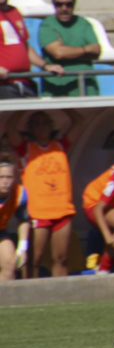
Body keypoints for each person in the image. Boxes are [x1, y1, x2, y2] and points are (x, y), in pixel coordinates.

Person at [7, 109, 85, 278]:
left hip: (62, 210)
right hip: (38, 213)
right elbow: (10, 127)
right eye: (37, 124)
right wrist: (25, 107)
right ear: (31, 129)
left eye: (45, 122)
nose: (42, 127)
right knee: (35, 259)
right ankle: (31, 295)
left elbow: (79, 121)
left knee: (61, 258)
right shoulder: (25, 148)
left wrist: (62, 106)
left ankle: (60, 297)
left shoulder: (61, 145)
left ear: (51, 126)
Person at [0, 0, 65, 99]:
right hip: (4, 85)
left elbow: (25, 47)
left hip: (25, 83)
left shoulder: (15, 12)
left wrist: (45, 66)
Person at [38, 0, 100, 98]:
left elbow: (96, 51)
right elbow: (59, 53)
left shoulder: (83, 23)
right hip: (58, 88)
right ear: (53, 4)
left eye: (68, 4)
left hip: (86, 87)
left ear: (74, 4)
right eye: (59, 4)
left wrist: (68, 51)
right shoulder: (47, 24)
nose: (64, 8)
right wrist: (85, 50)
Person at [0, 162, 31, 281]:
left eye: (9, 177)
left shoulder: (19, 192)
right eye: (1, 177)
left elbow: (23, 220)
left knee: (11, 264)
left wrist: (22, 248)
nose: (5, 181)